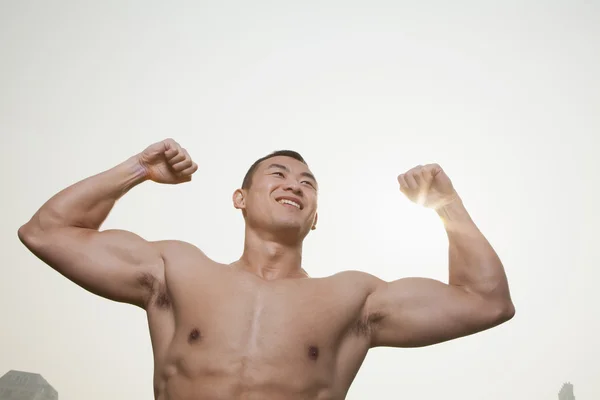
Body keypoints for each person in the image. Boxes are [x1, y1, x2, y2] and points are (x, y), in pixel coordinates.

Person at [18, 138, 515, 400]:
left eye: (308, 183)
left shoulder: (353, 299)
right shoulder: (178, 269)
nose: (294, 184)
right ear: (241, 197)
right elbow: (48, 232)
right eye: (277, 174)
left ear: (315, 217)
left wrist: (445, 203)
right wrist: (139, 169)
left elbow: (485, 301)